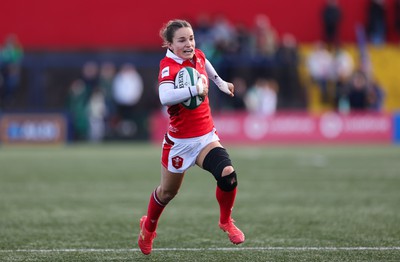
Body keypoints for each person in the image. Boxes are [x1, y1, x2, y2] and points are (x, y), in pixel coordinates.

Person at [137, 19, 245, 255]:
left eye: (192, 38)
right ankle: (149, 227)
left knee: (228, 174)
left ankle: (226, 221)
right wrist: (195, 90)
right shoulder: (168, 66)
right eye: (182, 40)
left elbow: (206, 64)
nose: (189, 44)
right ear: (169, 44)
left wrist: (221, 83)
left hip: (205, 136)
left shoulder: (196, 55)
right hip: (180, 143)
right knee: (167, 193)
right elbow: (165, 96)